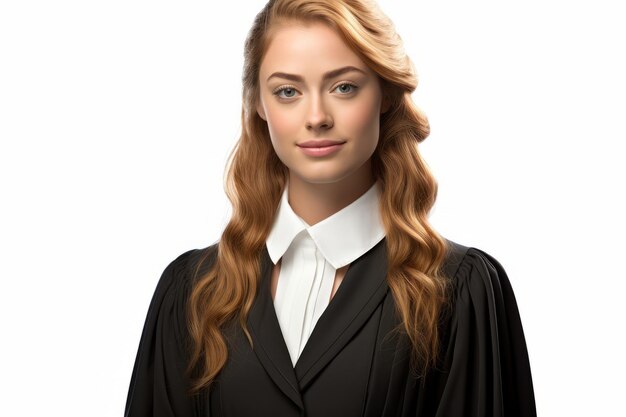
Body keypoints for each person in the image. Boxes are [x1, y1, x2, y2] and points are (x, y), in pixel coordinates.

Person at [124, 0, 536, 416]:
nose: (317, 117)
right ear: (258, 105)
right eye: (288, 91)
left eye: (344, 87)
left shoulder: (457, 290)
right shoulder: (193, 293)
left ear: (387, 94)